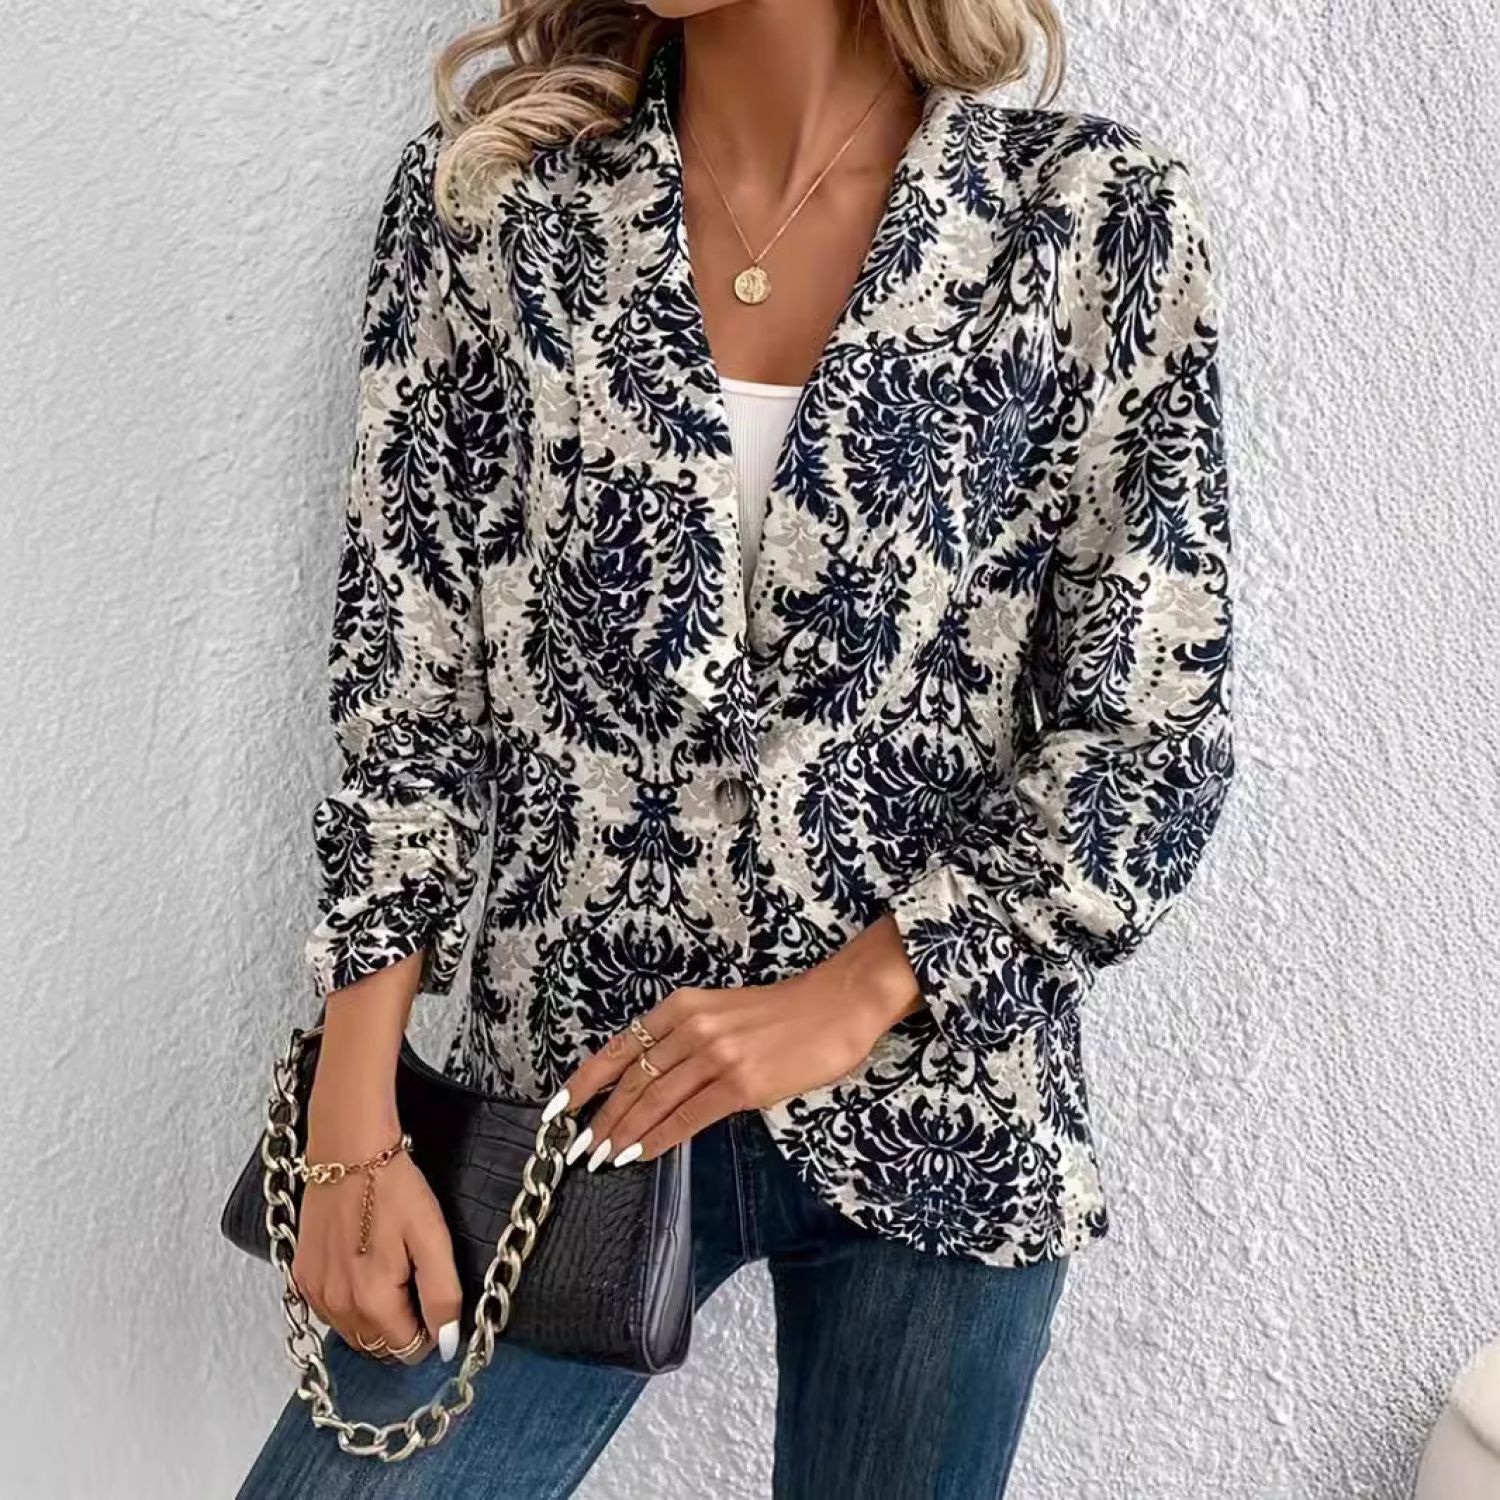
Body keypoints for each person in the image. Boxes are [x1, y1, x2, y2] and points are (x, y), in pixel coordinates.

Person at [237, 1, 1236, 1495]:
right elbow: (408, 690)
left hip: (945, 1102)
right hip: (568, 1101)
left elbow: (1154, 726)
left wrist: (858, 991)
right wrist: (348, 1119)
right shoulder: (498, 212)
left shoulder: (1091, 220)